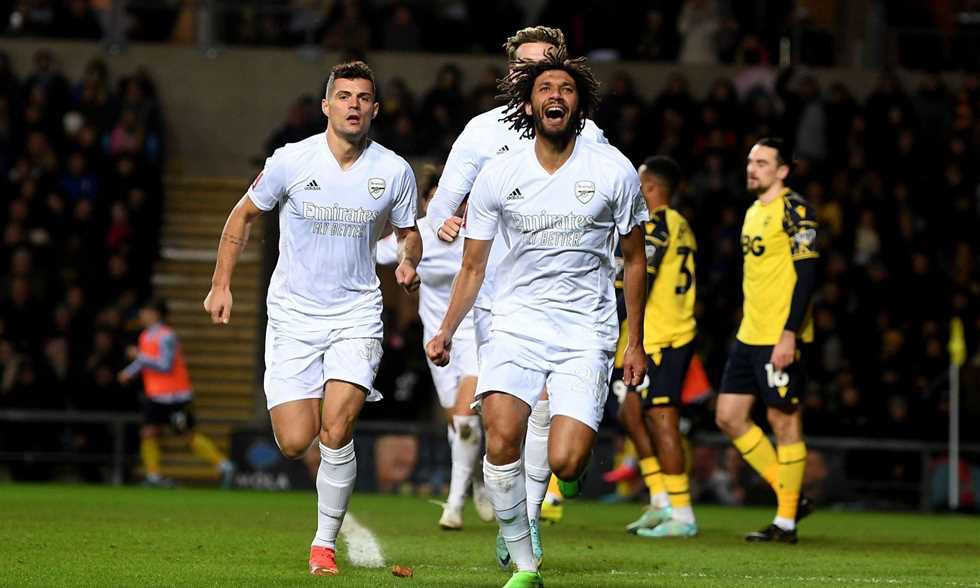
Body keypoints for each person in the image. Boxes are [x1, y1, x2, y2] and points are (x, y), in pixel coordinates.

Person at [426, 48, 648, 588]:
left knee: (566, 460)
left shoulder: (612, 169)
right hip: (515, 323)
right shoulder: (499, 173)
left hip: (585, 330)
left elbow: (635, 258)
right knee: (501, 435)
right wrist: (447, 329)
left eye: (566, 89)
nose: (556, 96)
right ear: (528, 104)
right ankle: (525, 562)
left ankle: (570, 470)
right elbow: (473, 265)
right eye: (545, 88)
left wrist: (635, 342)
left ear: (579, 105)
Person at [203, 61, 422, 576]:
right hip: (293, 315)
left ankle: (323, 545)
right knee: (295, 439)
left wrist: (408, 259)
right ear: (326, 106)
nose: (353, 105)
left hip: (356, 313)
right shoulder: (291, 160)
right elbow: (243, 215)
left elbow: (408, 232)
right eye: (343, 96)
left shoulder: (394, 170)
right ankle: (315, 431)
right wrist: (220, 283)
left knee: (337, 428)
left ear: (374, 109)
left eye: (362, 97)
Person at [375, 164, 494, 529]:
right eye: (438, 198)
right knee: (457, 424)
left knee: (465, 420)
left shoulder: (481, 234)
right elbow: (374, 252)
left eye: (457, 200)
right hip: (437, 341)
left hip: (477, 334)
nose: (450, 207)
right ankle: (477, 479)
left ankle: (454, 506)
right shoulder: (419, 235)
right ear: (427, 202)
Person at [715, 137, 818, 544]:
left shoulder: (796, 210)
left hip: (780, 335)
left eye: (761, 163)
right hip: (749, 334)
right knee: (728, 416)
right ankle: (791, 495)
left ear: (783, 171)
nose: (752, 168)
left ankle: (786, 522)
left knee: (784, 421)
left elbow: (807, 275)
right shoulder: (753, 211)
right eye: (750, 161)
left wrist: (790, 332)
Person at [614, 156, 699, 538]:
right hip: (653, 334)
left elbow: (641, 276)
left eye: (637, 182)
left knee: (662, 418)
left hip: (664, 336)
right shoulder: (677, 224)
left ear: (649, 187)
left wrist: (607, 314)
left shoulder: (659, 223)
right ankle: (661, 500)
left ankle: (682, 514)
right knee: (631, 413)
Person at [118, 298, 234, 488]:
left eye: (146, 311)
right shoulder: (145, 336)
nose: (142, 315)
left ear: (156, 314)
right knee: (148, 432)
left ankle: (224, 465)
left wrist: (139, 356)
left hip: (176, 396)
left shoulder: (167, 336)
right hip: (156, 396)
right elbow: (144, 362)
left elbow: (165, 365)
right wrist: (129, 372)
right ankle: (153, 476)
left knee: (187, 435)